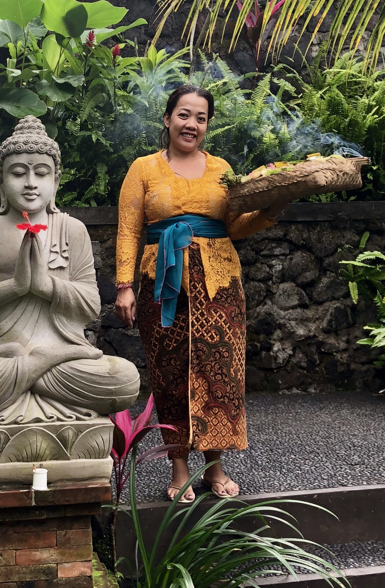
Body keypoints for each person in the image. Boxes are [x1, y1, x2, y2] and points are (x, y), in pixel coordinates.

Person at [115, 85, 286, 502]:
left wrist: (269, 211)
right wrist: (123, 285)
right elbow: (129, 228)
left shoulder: (222, 169)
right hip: (162, 283)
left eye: (201, 118)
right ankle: (179, 468)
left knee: (220, 372)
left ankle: (214, 467)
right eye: (184, 114)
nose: (192, 124)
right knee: (170, 371)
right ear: (168, 118)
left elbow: (235, 225)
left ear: (207, 125)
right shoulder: (143, 169)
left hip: (220, 283)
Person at [0, 116, 140, 423]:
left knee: (124, 380)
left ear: (56, 180)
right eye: (19, 173)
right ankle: (37, 368)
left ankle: (36, 367)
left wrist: (45, 285)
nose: (31, 183)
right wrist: (16, 286)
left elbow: (91, 306)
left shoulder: (72, 229)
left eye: (41, 173)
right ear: (1, 180)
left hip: (61, 352)